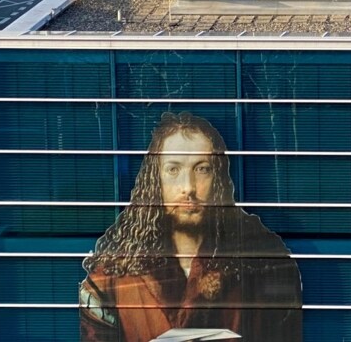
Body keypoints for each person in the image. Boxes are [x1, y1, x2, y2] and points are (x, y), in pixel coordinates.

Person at [80, 112, 303, 342]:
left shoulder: (267, 265)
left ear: (219, 179)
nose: (188, 188)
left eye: (202, 169)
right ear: (155, 180)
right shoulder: (111, 277)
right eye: (173, 170)